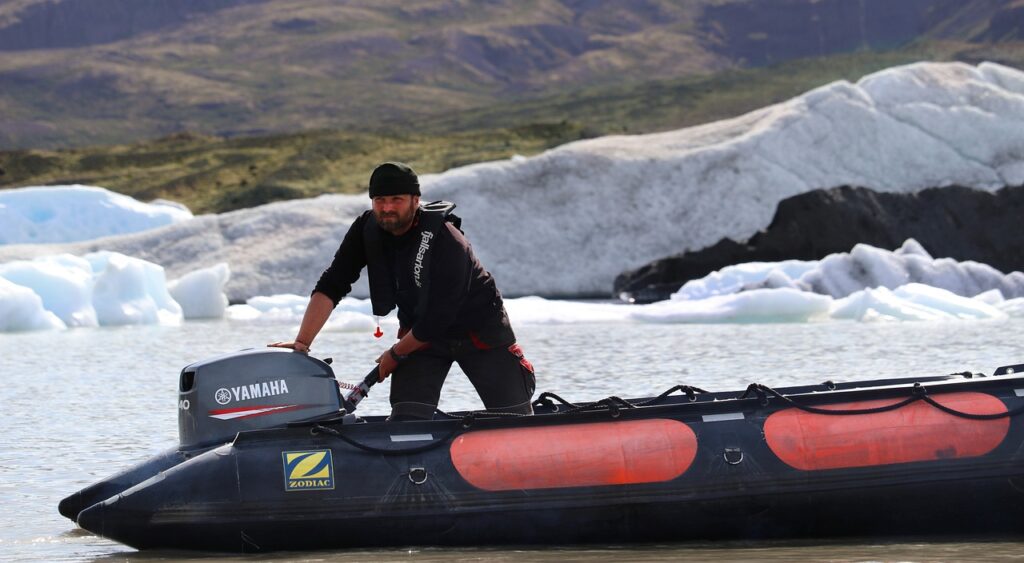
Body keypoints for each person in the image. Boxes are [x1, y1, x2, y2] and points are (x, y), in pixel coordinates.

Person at [270, 162, 535, 420]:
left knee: (515, 418)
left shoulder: (447, 240)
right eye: (380, 200)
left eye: (396, 199)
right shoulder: (366, 229)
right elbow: (332, 283)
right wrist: (303, 342)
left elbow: (440, 316)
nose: (387, 208)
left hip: (480, 333)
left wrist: (395, 353)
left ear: (415, 200)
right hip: (421, 335)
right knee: (407, 420)